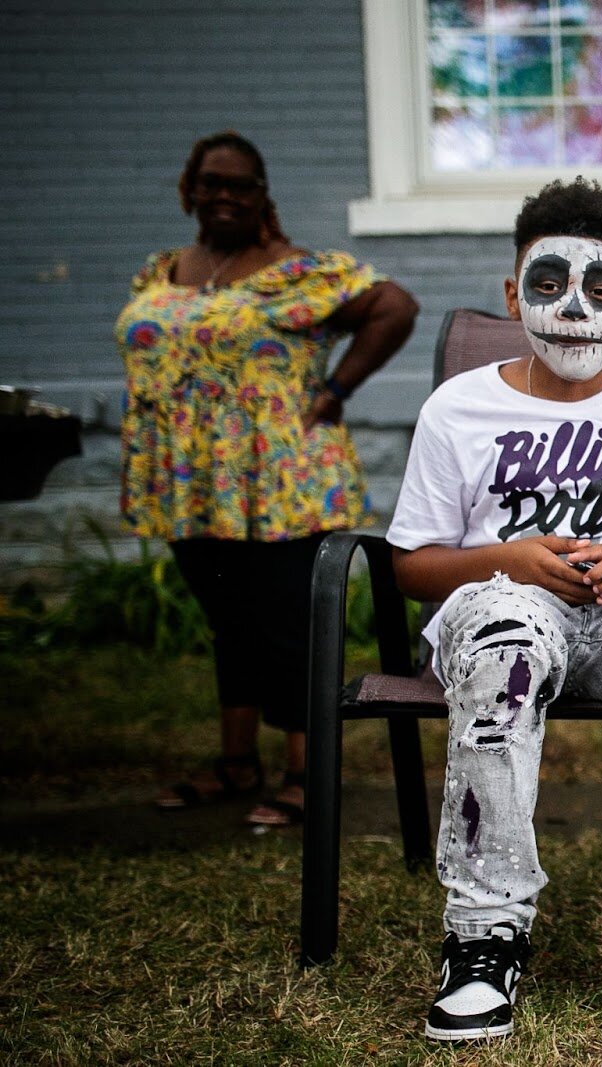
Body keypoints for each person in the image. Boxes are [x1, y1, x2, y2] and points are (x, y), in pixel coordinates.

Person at [386, 179, 602, 1040]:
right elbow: (410, 564)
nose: (574, 310)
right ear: (513, 295)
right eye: (547, 285)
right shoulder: (459, 407)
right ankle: (484, 931)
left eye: (601, 290)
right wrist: (505, 559)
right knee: (508, 640)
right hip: (507, 607)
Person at [120, 130, 418, 827]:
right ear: (189, 191)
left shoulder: (296, 273)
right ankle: (235, 762)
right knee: (229, 622)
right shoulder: (163, 271)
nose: (224, 195)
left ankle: (305, 771)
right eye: (211, 183)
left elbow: (394, 306)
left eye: (240, 185)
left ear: (262, 195)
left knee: (289, 625)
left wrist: (337, 388)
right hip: (193, 479)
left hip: (281, 474)